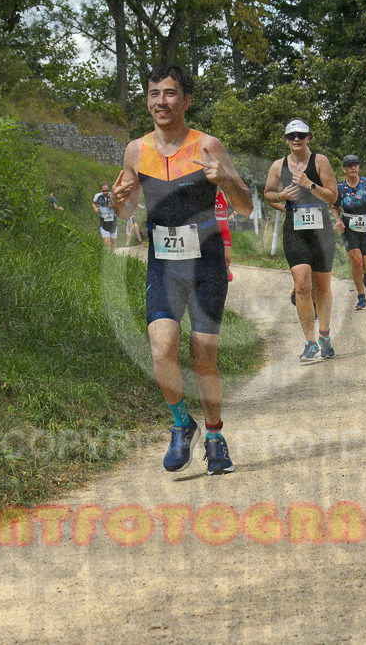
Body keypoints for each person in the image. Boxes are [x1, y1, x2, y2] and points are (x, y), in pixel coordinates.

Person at [112, 65, 252, 476]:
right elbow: (127, 211)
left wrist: (227, 179)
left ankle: (214, 436)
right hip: (163, 260)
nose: (161, 102)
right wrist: (119, 201)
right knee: (162, 348)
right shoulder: (136, 151)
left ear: (186, 101)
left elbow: (243, 205)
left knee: (203, 357)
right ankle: (180, 422)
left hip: (206, 259)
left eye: (170, 93)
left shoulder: (208, 145)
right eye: (154, 94)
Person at [263, 118, 338, 363]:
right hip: (295, 229)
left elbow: (332, 196)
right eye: (291, 136)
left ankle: (325, 335)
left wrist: (310, 184)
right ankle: (310, 341)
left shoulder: (320, 161)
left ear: (309, 138)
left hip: (321, 230)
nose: (296, 139)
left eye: (301, 135)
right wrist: (281, 197)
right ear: (286, 139)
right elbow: (268, 194)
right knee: (302, 285)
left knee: (322, 287)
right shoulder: (278, 165)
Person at [330, 155, 366, 311]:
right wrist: (338, 220)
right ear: (344, 169)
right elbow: (334, 207)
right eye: (349, 166)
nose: (353, 168)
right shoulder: (340, 188)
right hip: (348, 227)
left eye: (355, 165)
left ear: (358, 167)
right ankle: (361, 297)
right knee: (356, 261)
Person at [215, 189, 233, 282]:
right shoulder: (205, 195)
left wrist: (233, 214)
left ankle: (226, 269)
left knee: (227, 257)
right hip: (209, 232)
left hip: (224, 230)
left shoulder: (225, 195)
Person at [92, 182, 118, 250]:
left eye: (107, 190)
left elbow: (120, 205)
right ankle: (108, 256)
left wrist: (113, 206)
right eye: (104, 191)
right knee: (106, 242)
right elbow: (94, 203)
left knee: (113, 244)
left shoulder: (113, 195)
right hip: (103, 222)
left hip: (113, 222)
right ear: (101, 190)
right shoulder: (97, 196)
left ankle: (112, 257)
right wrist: (95, 208)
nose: (106, 192)